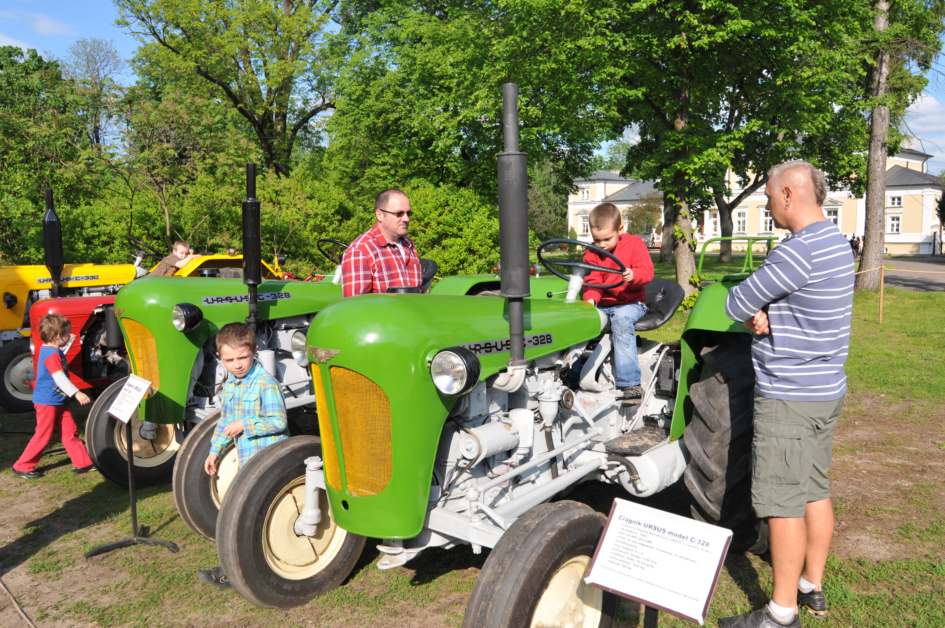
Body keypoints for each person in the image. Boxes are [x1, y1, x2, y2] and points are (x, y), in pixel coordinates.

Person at [721, 161, 854, 628]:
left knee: (782, 505)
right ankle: (810, 584)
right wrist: (772, 313)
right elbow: (806, 307)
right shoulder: (835, 243)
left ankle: (780, 613)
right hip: (825, 391)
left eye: (769, 196)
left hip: (789, 396)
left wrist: (757, 312)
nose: (767, 204)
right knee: (814, 490)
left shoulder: (797, 253)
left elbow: (735, 301)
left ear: (789, 195)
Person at [196, 322, 289, 588]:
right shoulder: (230, 385)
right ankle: (236, 570)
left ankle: (245, 572)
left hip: (267, 463)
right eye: (230, 360)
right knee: (241, 518)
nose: (237, 365)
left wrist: (246, 425)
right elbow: (226, 421)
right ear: (220, 358)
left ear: (254, 351)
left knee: (252, 520)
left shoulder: (265, 384)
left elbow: (279, 422)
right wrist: (214, 451)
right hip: (246, 461)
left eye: (242, 358)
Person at [581, 202, 654, 400]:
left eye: (607, 239)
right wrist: (590, 300)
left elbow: (647, 272)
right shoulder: (592, 252)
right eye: (596, 240)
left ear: (620, 229)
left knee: (621, 320)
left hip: (631, 302)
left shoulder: (634, 244)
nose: (601, 245)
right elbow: (593, 281)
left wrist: (634, 275)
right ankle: (574, 372)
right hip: (605, 304)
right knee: (581, 319)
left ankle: (630, 384)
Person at [12, 314, 94, 478]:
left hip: (58, 400)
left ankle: (83, 462)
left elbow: (59, 356)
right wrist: (76, 393)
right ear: (57, 336)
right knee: (43, 435)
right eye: (67, 334)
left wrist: (69, 341)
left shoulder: (50, 349)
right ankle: (22, 466)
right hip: (47, 402)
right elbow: (59, 378)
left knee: (70, 431)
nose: (69, 336)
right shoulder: (51, 355)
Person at [341, 188, 422, 297]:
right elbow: (354, 305)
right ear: (379, 215)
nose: (406, 219)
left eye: (409, 213)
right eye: (399, 213)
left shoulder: (409, 245)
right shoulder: (361, 251)